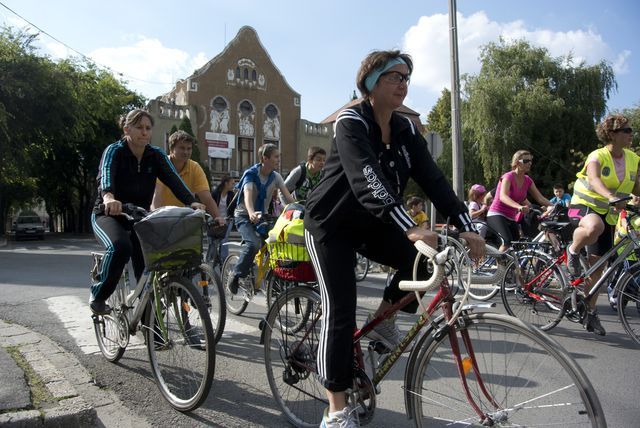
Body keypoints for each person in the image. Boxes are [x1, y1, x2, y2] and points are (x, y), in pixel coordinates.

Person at [303, 50, 485, 428]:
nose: (403, 84)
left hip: (371, 223)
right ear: (371, 83)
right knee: (341, 310)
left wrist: (465, 224)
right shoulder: (351, 121)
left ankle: (386, 316)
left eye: (406, 78)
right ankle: (336, 409)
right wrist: (409, 225)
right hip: (330, 225)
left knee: (424, 253)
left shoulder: (405, 130)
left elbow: (434, 180)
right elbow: (366, 177)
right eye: (394, 77)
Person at [90, 110, 204, 315]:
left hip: (138, 216)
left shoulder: (156, 155)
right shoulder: (114, 151)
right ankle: (98, 295)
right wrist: (108, 197)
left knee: (149, 267)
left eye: (148, 128)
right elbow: (105, 174)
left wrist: (192, 202)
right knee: (120, 247)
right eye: (139, 127)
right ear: (127, 129)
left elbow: (173, 179)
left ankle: (151, 329)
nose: (144, 132)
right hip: (108, 213)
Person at [566, 114, 639, 336]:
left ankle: (589, 310)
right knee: (593, 228)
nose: (631, 134)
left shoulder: (632, 158)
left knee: (598, 269)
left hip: (608, 213)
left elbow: (637, 188)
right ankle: (572, 250)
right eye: (627, 130)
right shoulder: (597, 155)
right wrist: (610, 196)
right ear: (613, 134)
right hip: (583, 206)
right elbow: (595, 180)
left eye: (631, 130)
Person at [226, 143, 295, 294]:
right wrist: (251, 212)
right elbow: (248, 195)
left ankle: (274, 278)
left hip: (262, 216)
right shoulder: (251, 174)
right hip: (244, 215)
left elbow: (288, 196)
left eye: (279, 156)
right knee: (254, 244)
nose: (278, 159)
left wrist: (300, 208)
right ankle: (235, 274)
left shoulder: (276, 176)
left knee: (279, 241)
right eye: (276, 157)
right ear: (265, 158)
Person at [151, 130, 224, 224]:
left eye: (189, 148)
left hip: (180, 219)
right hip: (160, 216)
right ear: (171, 149)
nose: (186, 152)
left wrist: (217, 217)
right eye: (182, 148)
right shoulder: (161, 165)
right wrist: (156, 220)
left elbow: (206, 198)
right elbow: (157, 196)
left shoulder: (195, 168)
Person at [486, 150, 552, 251]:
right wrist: (519, 207)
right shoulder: (508, 177)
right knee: (507, 242)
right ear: (517, 162)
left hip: (511, 217)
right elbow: (503, 196)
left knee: (517, 247)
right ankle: (500, 266)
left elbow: (540, 198)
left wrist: (554, 206)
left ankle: (512, 267)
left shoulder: (527, 180)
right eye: (525, 161)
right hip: (496, 214)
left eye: (530, 160)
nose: (529, 163)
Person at [208, 175, 236, 263]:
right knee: (212, 240)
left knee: (224, 240)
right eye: (232, 183)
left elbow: (234, 208)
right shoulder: (215, 193)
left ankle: (224, 261)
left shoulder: (232, 195)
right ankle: (210, 259)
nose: (233, 185)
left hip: (227, 220)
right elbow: (209, 205)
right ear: (226, 183)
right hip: (215, 219)